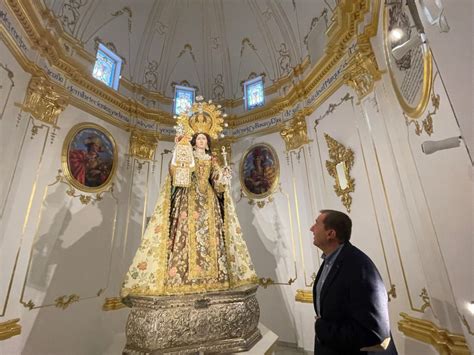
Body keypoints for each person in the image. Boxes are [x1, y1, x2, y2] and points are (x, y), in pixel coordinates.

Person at [121, 131, 258, 297]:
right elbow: (176, 174)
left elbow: (216, 181)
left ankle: (216, 278)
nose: (201, 141)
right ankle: (182, 278)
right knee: (186, 233)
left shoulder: (212, 159)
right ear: (194, 142)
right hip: (188, 197)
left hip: (208, 200)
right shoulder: (187, 153)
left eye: (204, 139)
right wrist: (180, 148)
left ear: (207, 144)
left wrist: (224, 176)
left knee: (210, 236)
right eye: (199, 138)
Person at [310, 209, 397, 355]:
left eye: (316, 224)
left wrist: (321, 328)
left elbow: (373, 333)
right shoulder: (330, 260)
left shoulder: (359, 266)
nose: (311, 228)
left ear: (331, 233)